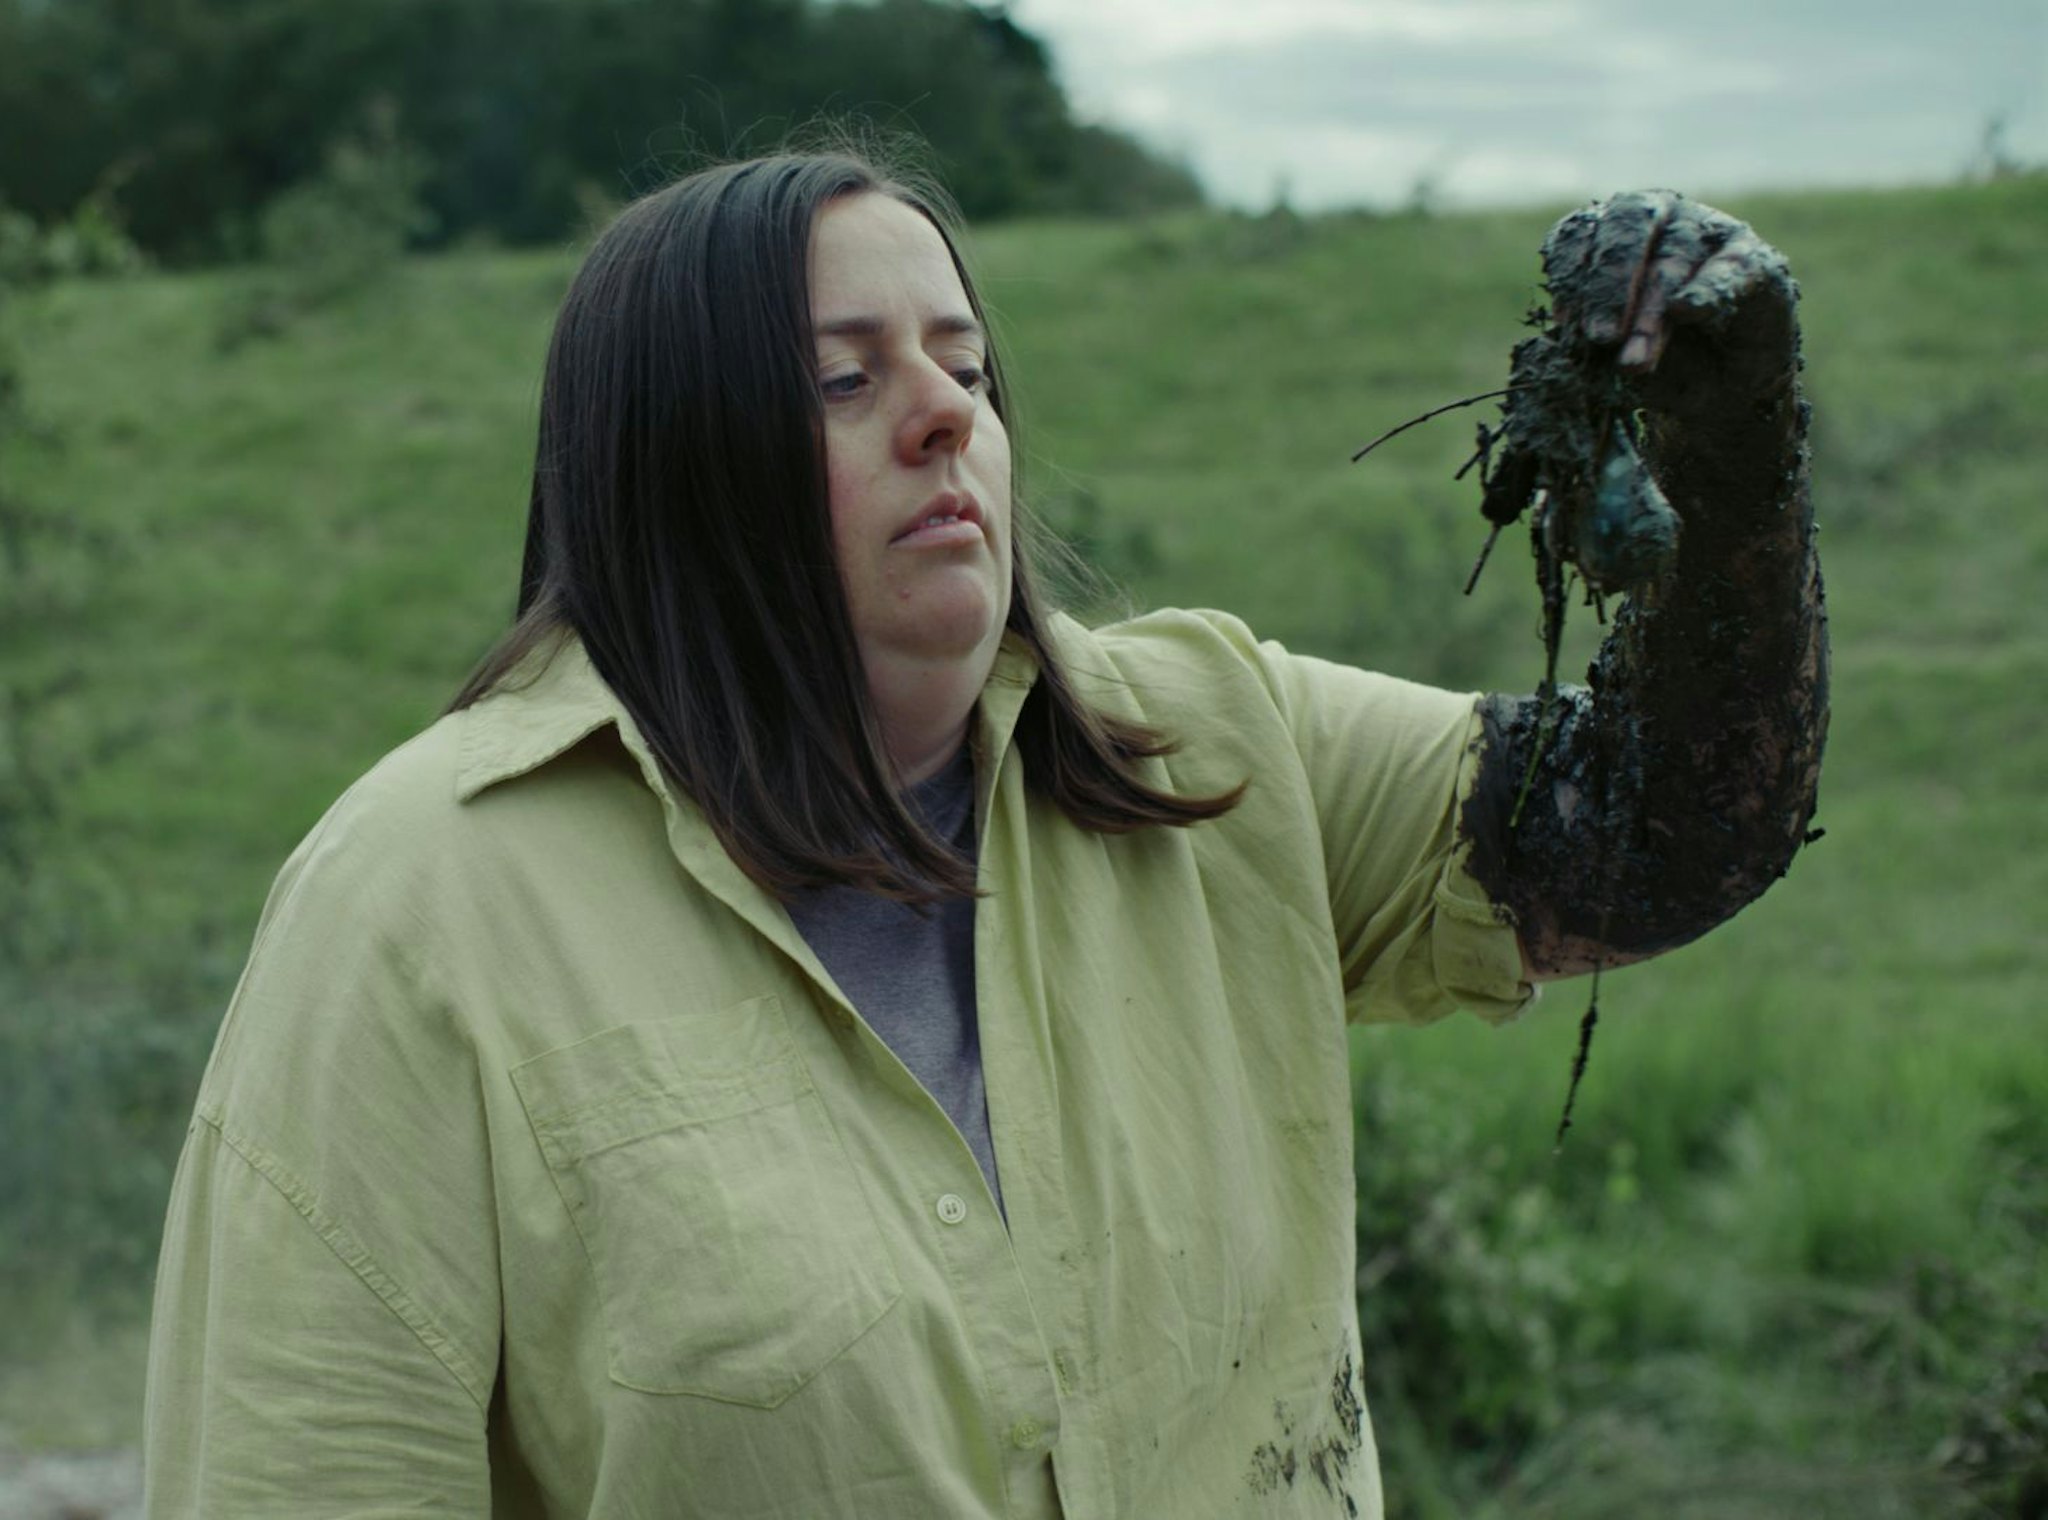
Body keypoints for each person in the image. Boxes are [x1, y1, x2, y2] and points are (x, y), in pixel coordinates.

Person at [142, 146, 1827, 1518]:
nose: (945, 416)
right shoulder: (423, 903)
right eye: (841, 378)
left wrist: (1732, 458)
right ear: (673, 464)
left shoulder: (1208, 749)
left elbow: (1659, 829)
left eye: (964, 364)